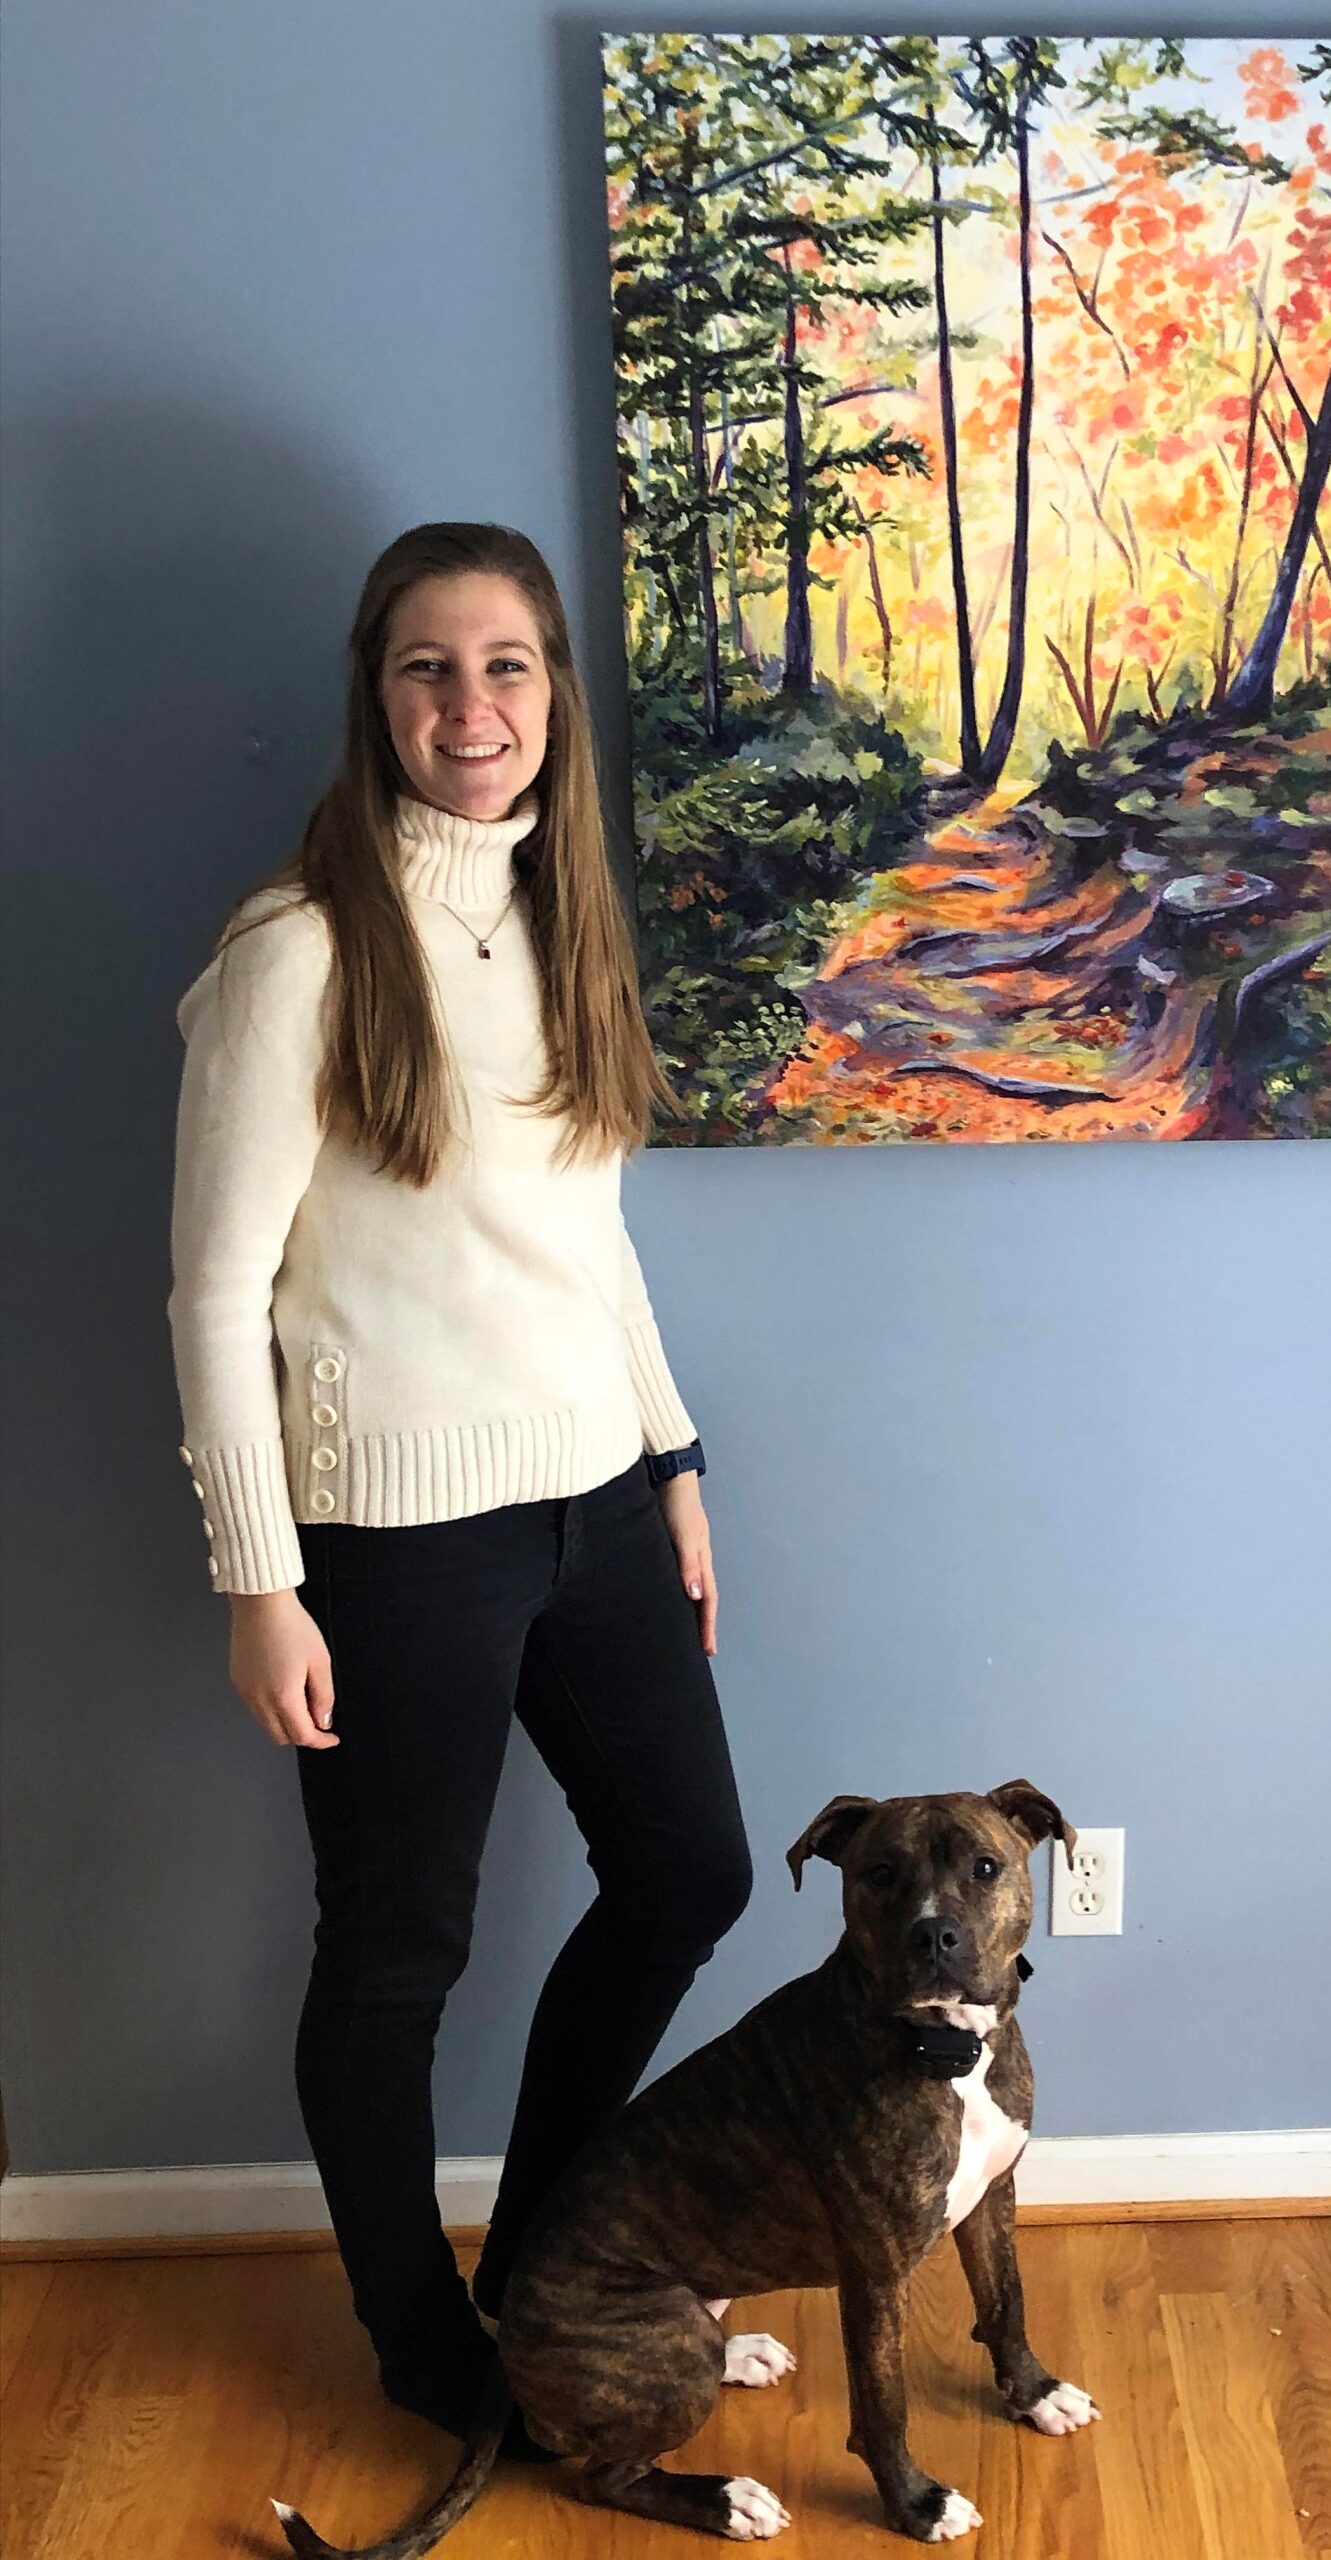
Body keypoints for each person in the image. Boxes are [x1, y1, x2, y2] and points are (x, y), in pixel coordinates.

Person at [165, 521, 753, 2458]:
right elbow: (213, 1290)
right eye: (431, 667)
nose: (472, 706)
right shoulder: (299, 950)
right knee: (398, 1946)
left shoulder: (559, 917)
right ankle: (426, 2342)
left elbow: (598, 1238)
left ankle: (548, 2258)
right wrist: (261, 1575)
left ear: (556, 694)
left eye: (508, 666)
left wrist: (671, 1460)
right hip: (395, 1536)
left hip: (595, 1506)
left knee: (691, 1869)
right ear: (376, 692)